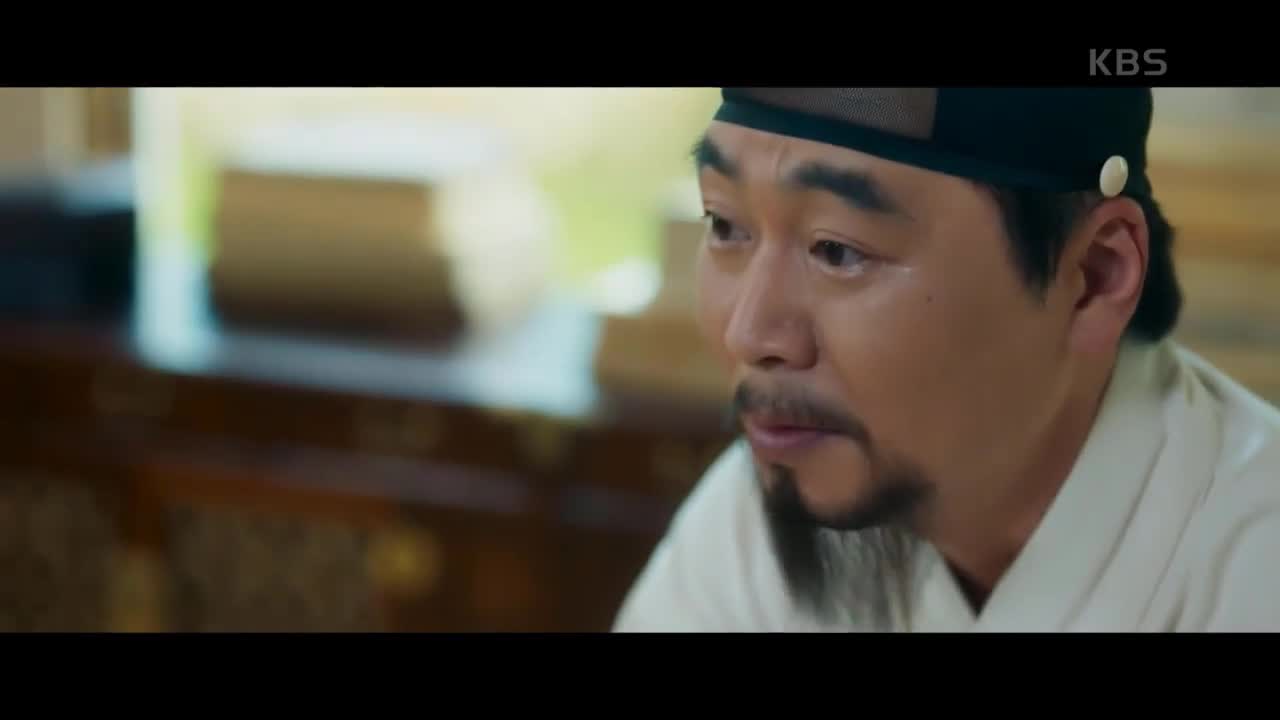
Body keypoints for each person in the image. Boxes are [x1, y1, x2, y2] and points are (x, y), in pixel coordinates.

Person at [612, 88, 1280, 632]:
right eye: (725, 225)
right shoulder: (753, 522)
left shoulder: (1255, 569)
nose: (749, 333)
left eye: (837, 250)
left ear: (1095, 277)